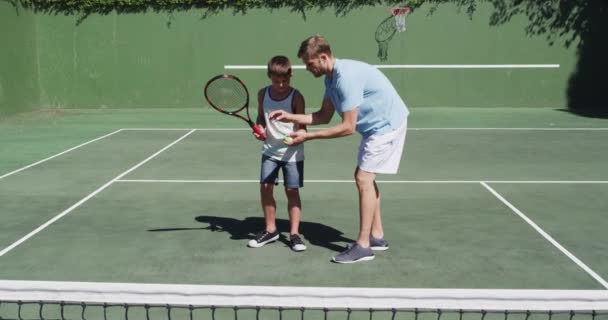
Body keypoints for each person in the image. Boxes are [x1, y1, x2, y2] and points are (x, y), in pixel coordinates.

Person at [269, 35, 409, 263]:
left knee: (363, 178)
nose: (307, 68)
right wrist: (289, 115)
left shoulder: (346, 78)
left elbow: (347, 127)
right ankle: (377, 236)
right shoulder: (330, 79)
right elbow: (323, 116)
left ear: (323, 57)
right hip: (374, 128)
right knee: (365, 177)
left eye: (309, 64)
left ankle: (363, 246)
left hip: (386, 125)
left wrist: (307, 136)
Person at [247, 55, 308, 252]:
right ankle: (271, 230)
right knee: (266, 187)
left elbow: (303, 127)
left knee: (292, 191)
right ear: (269, 76)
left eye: (285, 80)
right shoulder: (262, 94)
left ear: (291, 76)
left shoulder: (297, 97)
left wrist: (298, 136)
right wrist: (259, 129)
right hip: (270, 152)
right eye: (276, 80)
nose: (281, 84)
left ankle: (295, 234)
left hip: (292, 154)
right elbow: (260, 118)